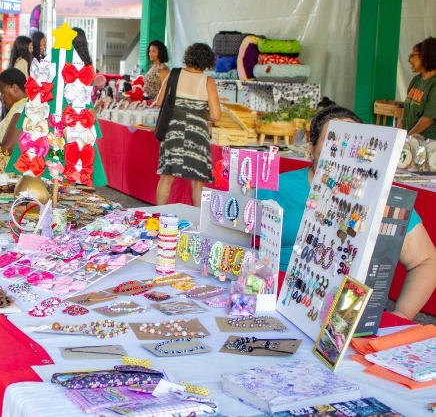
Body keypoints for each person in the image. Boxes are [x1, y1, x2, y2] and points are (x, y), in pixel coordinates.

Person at [258, 105, 436, 320]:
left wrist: (400, 316)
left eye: (355, 143)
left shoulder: (382, 199)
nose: (345, 149)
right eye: (334, 141)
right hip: (274, 306)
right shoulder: (276, 187)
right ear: (312, 149)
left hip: (345, 319)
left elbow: (426, 261)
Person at [155, 43, 221, 207]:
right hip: (197, 134)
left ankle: (158, 216)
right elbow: (216, 115)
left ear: (189, 57)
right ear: (208, 61)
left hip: (173, 130)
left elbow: (158, 102)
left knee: (167, 176)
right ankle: (198, 223)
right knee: (198, 181)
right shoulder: (208, 81)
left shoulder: (174, 74)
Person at [0, 68, 27, 154]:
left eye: (3, 93)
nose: (2, 99)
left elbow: (7, 148)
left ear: (15, 88)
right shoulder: (19, 108)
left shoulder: (21, 110)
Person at [402, 37, 436, 139]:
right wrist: (400, 130)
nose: (409, 60)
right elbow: (407, 108)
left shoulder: (434, 84)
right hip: (411, 138)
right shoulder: (416, 80)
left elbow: (428, 119)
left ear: (425, 55)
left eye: (412, 55)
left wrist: (408, 136)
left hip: (428, 142)